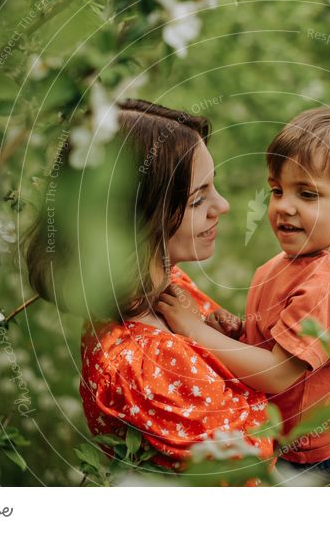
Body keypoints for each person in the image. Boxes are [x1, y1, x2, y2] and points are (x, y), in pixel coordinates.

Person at [25, 98, 273, 474]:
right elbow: (255, 480)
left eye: (213, 187)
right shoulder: (141, 366)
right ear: (134, 219)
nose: (222, 206)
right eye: (198, 199)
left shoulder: (165, 286)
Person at [158, 106, 330, 478]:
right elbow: (280, 340)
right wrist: (240, 331)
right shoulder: (295, 262)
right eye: (277, 190)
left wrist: (194, 329)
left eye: (307, 194)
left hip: (312, 459)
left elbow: (278, 374)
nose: (284, 206)